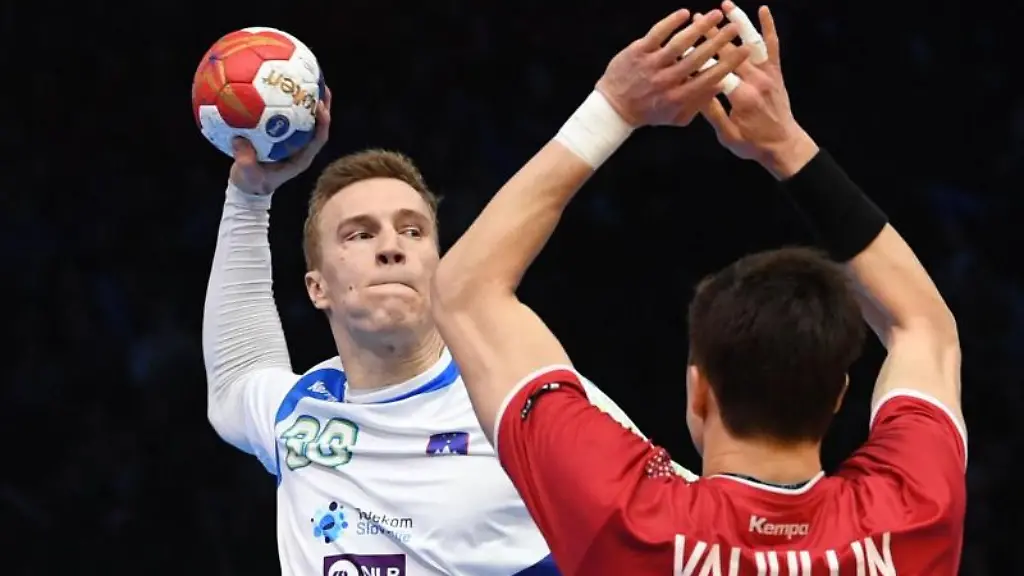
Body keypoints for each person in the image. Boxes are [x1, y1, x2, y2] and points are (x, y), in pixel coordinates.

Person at [430, 2, 967, 574]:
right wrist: (785, 144)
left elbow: (466, 290)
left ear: (699, 390)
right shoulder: (914, 513)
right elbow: (922, 323)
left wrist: (613, 108)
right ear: (838, 394)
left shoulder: (626, 515)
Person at [202, 9, 745, 575]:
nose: (391, 248)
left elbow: (698, 525)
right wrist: (250, 195)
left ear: (442, 268)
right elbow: (237, 372)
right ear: (318, 288)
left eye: (413, 231)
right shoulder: (299, 413)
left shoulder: (526, 405)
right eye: (360, 234)